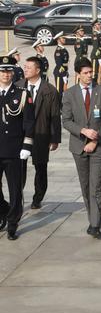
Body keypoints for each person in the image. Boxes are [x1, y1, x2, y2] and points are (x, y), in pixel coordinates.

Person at [61, 57, 101, 238]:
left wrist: (95, 139)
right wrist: (83, 131)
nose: (90, 75)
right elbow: (66, 121)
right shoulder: (69, 94)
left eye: (91, 72)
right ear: (78, 75)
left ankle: (95, 224)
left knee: (96, 184)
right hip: (78, 147)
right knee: (85, 185)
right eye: (85, 73)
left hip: (98, 147)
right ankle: (92, 215)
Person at [0, 55, 35, 240]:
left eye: (9, 70)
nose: (6, 74)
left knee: (15, 189)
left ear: (13, 72)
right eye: (3, 70)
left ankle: (12, 223)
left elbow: (29, 122)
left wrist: (26, 145)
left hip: (14, 150)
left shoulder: (22, 94)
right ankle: (3, 211)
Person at [21, 55, 61, 209]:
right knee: (19, 166)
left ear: (38, 70)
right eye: (25, 67)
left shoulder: (49, 90)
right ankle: (18, 195)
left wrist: (55, 138)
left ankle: (38, 198)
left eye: (28, 67)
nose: (25, 70)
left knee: (40, 167)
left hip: (41, 134)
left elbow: (55, 116)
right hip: (21, 135)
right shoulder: (18, 86)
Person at [53, 35, 70, 100]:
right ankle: (58, 108)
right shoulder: (58, 50)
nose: (64, 39)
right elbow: (59, 65)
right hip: (59, 74)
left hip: (64, 72)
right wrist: (64, 76)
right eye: (63, 38)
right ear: (58, 40)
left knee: (63, 92)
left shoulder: (63, 49)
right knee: (59, 92)